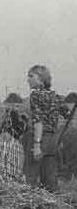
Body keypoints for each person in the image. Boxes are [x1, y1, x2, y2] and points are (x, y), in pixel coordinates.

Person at [25, 64, 70, 192]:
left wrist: (37, 144)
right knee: (50, 179)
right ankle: (55, 207)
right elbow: (67, 115)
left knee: (31, 177)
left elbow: (38, 121)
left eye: (31, 76)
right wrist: (57, 136)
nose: (28, 79)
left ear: (40, 78)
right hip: (52, 140)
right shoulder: (55, 96)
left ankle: (29, 208)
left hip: (39, 137)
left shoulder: (35, 95)